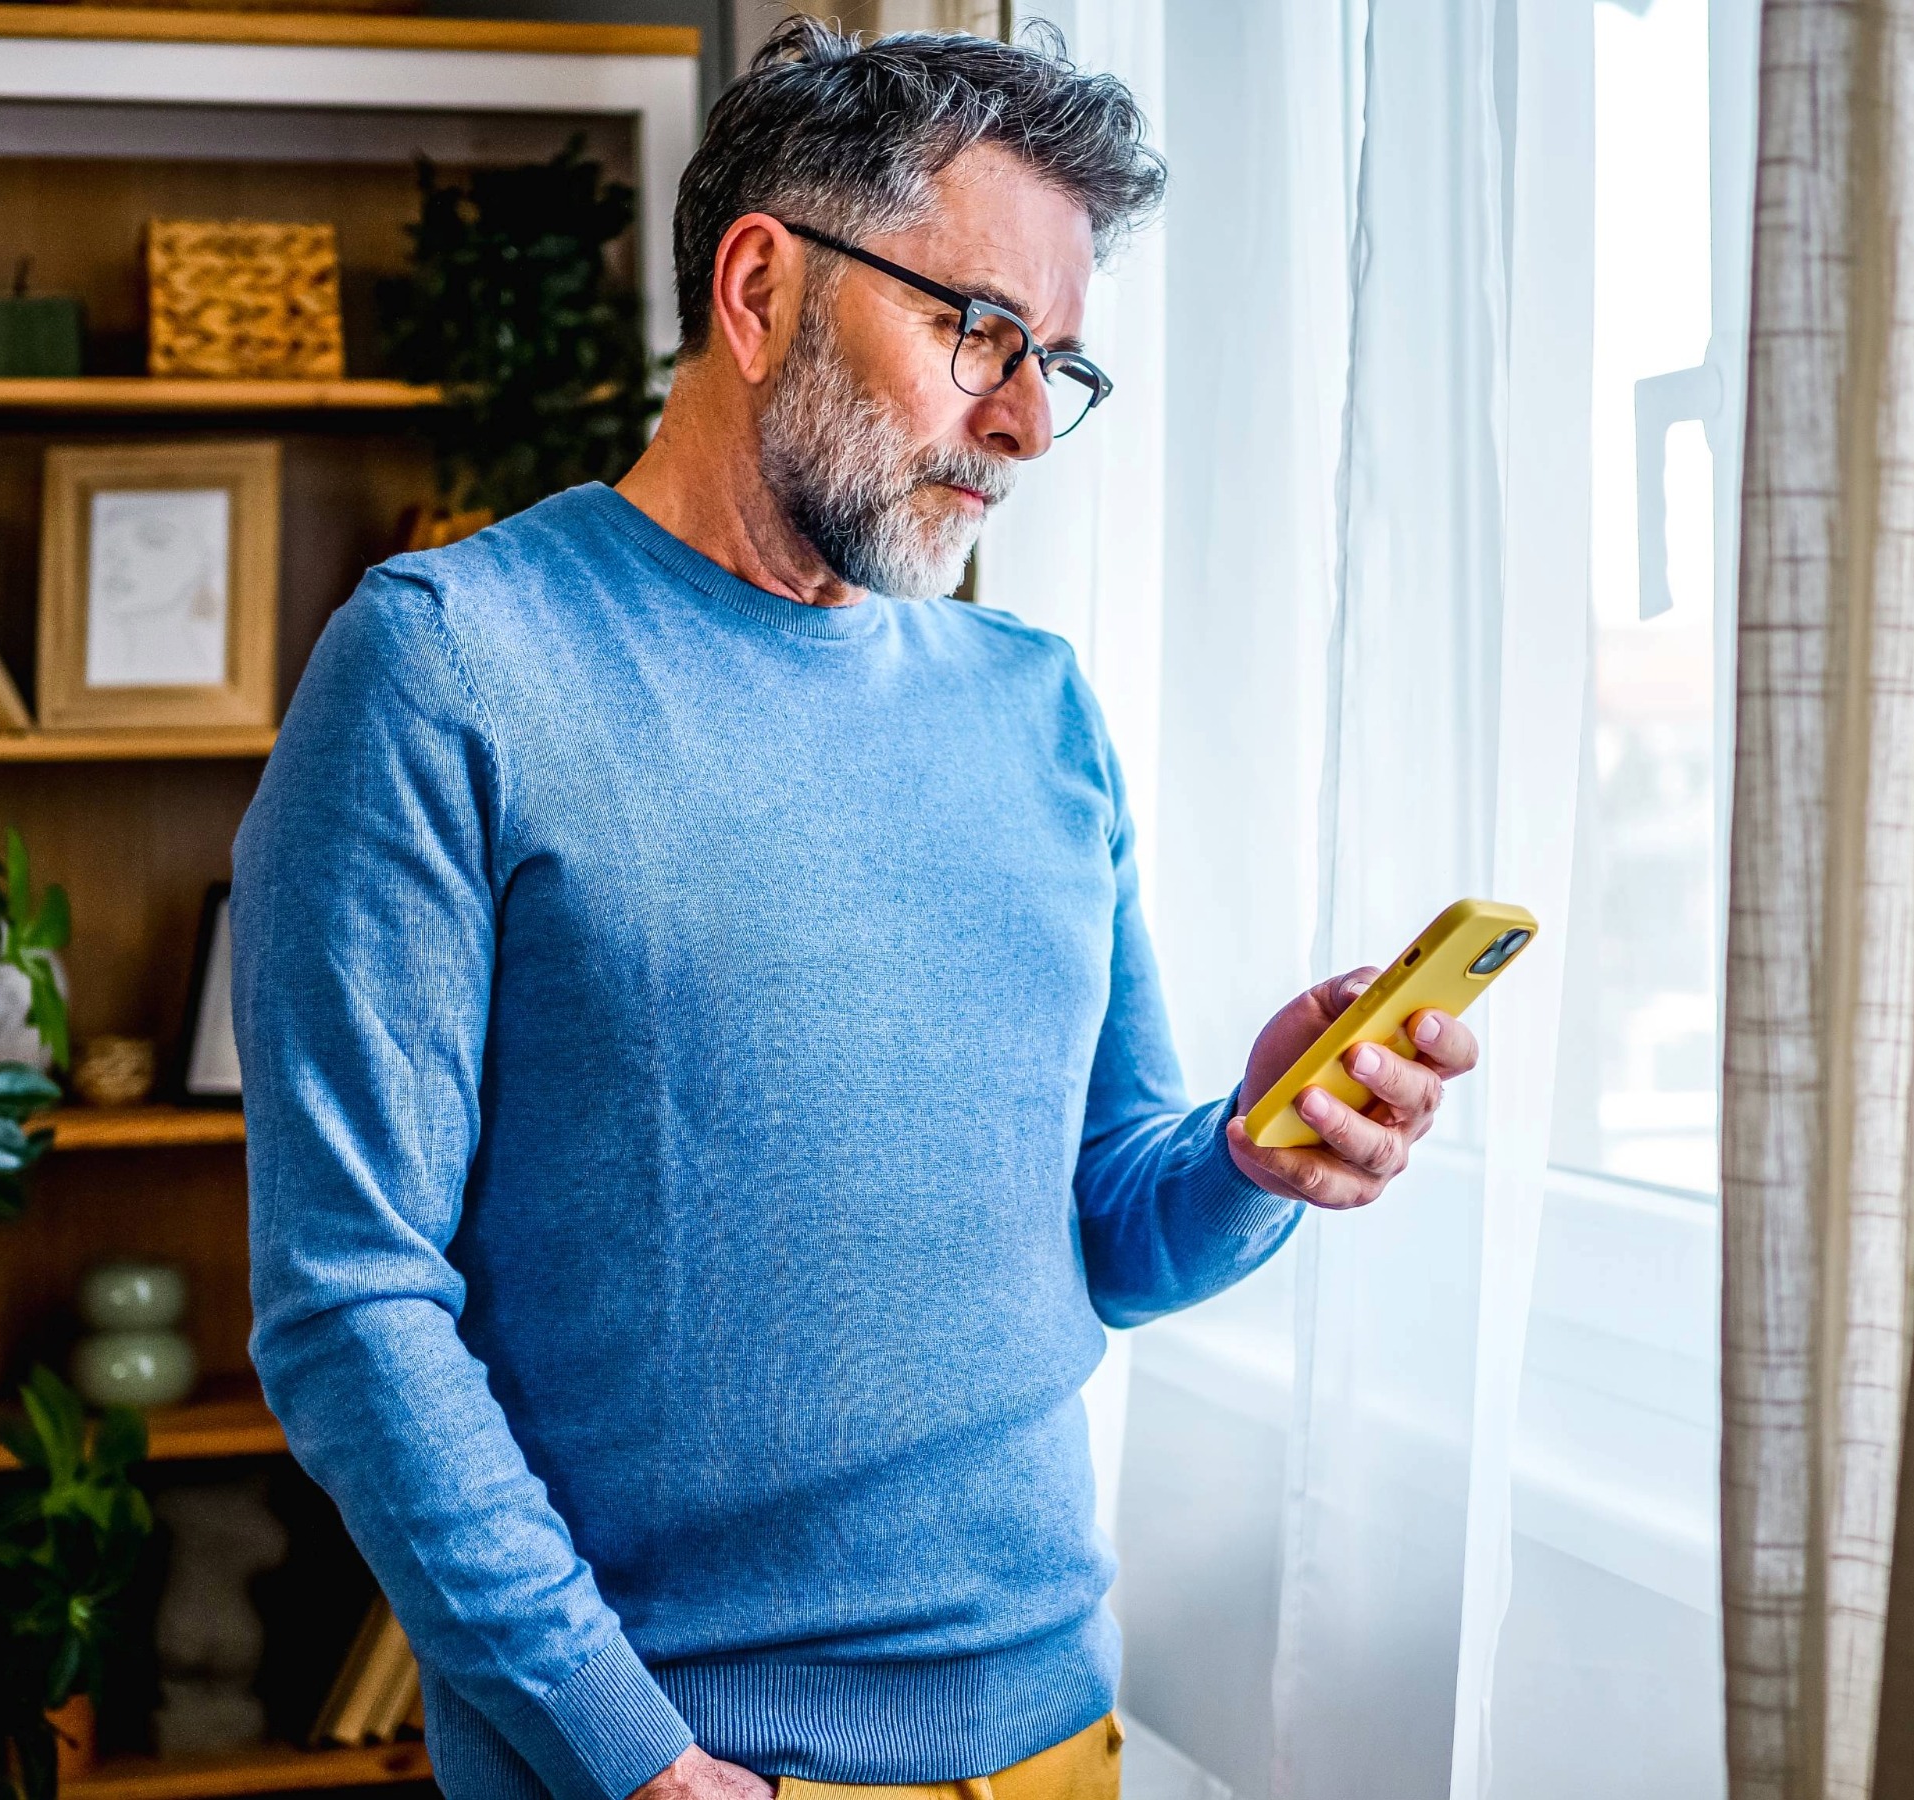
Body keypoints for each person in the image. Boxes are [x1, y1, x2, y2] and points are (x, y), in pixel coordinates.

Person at [230, 22, 1480, 1800]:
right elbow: (349, 1304)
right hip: (676, 1769)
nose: (1025, 422)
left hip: (1062, 1740)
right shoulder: (446, 672)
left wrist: (1250, 1158)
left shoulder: (1037, 704)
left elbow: (1111, 1231)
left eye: (1059, 364)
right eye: (981, 330)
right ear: (761, 289)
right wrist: (632, 1756)